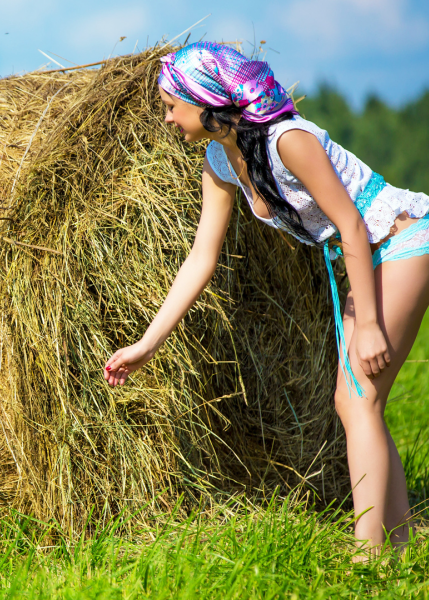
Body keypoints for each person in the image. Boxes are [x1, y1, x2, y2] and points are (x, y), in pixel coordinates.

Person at [103, 41, 429, 558]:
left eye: (172, 105)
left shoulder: (287, 140)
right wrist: (147, 344)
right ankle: (401, 546)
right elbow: (200, 258)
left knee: (357, 399)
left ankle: (369, 561)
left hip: (401, 239)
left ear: (207, 101)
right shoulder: (220, 158)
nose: (167, 118)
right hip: (369, 255)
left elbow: (350, 224)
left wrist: (366, 323)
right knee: (360, 401)